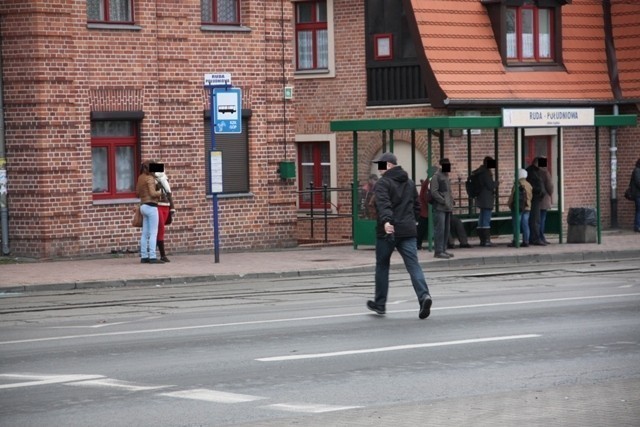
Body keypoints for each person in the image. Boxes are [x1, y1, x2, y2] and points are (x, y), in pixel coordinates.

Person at [366, 152, 432, 320]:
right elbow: (417, 206)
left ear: (388, 165)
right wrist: (411, 221)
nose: (379, 168)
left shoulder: (382, 183)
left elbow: (383, 204)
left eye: (380, 165)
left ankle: (380, 304)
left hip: (388, 232)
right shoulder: (409, 183)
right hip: (408, 230)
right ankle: (424, 296)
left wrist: (387, 222)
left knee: (382, 266)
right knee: (413, 265)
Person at [136, 161, 163, 264]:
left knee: (145, 233)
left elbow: (137, 193)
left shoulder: (140, 178)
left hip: (143, 206)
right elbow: (152, 193)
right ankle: (152, 256)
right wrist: (160, 192)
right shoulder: (150, 178)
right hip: (151, 206)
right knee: (153, 233)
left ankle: (144, 256)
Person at [430, 158, 455, 259]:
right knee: (440, 229)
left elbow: (448, 192)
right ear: (440, 165)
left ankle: (443, 249)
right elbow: (434, 192)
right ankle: (438, 251)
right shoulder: (436, 176)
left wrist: (450, 201)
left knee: (446, 229)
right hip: (440, 207)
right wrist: (443, 201)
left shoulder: (445, 175)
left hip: (447, 207)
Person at [473, 156, 498, 247]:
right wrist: (497, 183)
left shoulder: (480, 171)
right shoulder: (485, 173)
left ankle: (482, 240)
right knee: (486, 218)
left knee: (482, 218)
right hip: (486, 199)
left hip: (481, 198)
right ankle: (486, 240)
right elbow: (490, 186)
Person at [154, 165, 175, 263]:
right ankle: (161, 254)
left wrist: (172, 208)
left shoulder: (165, 180)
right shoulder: (153, 180)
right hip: (158, 206)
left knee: (162, 230)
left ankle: (160, 255)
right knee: (160, 229)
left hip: (166, 206)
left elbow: (169, 195)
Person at [508, 169, 533, 247]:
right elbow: (531, 196)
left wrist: (509, 204)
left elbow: (512, 197)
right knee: (525, 224)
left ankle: (516, 240)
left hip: (518, 208)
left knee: (517, 224)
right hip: (527, 207)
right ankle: (526, 241)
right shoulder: (529, 185)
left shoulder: (517, 184)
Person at [526, 158, 546, 246]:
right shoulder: (532, 172)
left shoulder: (536, 171)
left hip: (537, 198)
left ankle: (535, 237)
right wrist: (539, 191)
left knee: (536, 219)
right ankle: (535, 238)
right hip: (534, 198)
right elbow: (533, 185)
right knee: (535, 219)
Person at [538, 157, 554, 244]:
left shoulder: (536, 172)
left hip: (536, 200)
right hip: (544, 200)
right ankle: (541, 237)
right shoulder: (545, 172)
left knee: (537, 220)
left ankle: (537, 237)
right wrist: (551, 193)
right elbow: (550, 186)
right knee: (542, 219)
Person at [630, 158, 640, 232]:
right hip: (638, 194)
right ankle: (637, 226)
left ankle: (637, 226)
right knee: (639, 210)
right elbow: (638, 182)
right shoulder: (637, 170)